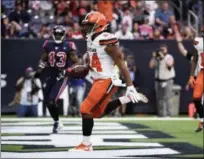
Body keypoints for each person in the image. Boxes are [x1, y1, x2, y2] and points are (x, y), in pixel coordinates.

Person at [69, 11, 148, 151]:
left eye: (89, 25)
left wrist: (130, 85)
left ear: (99, 26)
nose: (85, 28)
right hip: (99, 78)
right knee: (97, 113)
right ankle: (126, 99)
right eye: (85, 25)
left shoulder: (106, 39)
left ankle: (86, 145)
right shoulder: (91, 39)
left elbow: (121, 62)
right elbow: (94, 62)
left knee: (84, 109)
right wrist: (80, 69)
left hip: (107, 80)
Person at [33, 25, 79, 133]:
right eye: (56, 34)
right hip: (51, 74)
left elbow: (77, 62)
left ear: (64, 35)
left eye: (60, 34)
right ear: (53, 34)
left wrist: (68, 70)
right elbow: (43, 60)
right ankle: (57, 121)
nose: (58, 36)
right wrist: (40, 69)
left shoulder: (69, 45)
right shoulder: (48, 45)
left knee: (52, 100)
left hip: (62, 76)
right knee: (47, 101)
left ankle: (57, 122)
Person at [175, 28, 204, 132]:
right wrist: (191, 76)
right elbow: (190, 56)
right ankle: (201, 117)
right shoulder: (197, 46)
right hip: (199, 76)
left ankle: (201, 120)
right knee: (196, 98)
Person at [149, 44, 175, 117]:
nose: (162, 51)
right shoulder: (157, 58)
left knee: (168, 97)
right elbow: (150, 66)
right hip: (158, 80)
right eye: (161, 50)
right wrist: (154, 57)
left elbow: (170, 65)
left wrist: (163, 57)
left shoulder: (169, 57)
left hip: (168, 80)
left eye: (163, 50)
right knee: (159, 98)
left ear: (167, 50)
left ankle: (169, 114)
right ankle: (161, 114)